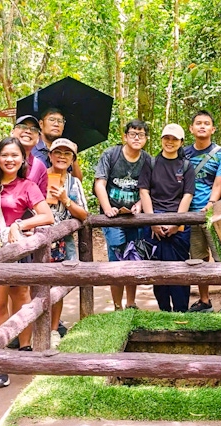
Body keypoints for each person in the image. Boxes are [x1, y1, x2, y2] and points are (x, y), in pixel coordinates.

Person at [0, 137, 54, 388]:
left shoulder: (27, 185)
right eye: (4, 155)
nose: (10, 160)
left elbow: (46, 216)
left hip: (16, 249)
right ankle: (1, 359)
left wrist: (20, 224)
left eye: (15, 155)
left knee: (21, 296)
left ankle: (25, 348)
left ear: (23, 159)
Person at [93, 119, 151, 310]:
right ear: (125, 136)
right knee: (117, 258)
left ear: (146, 139)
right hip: (113, 218)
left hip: (134, 218)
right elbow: (99, 183)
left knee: (133, 256)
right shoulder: (111, 155)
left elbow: (149, 188)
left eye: (140, 134)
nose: (136, 137)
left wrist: (140, 204)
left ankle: (131, 303)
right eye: (133, 134)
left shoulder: (147, 160)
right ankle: (117, 305)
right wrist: (108, 208)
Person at [139, 124, 195, 312]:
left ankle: (181, 311)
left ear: (181, 142)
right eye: (167, 138)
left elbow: (187, 195)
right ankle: (164, 311)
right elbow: (144, 192)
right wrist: (152, 221)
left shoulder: (186, 166)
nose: (170, 142)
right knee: (157, 270)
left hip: (178, 222)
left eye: (174, 139)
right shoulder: (151, 163)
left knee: (180, 268)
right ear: (162, 139)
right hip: (154, 221)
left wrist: (176, 222)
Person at [183, 111, 221, 313]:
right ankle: (204, 300)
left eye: (206, 124)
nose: (202, 126)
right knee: (198, 258)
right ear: (191, 129)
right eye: (198, 123)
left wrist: (212, 203)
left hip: (214, 214)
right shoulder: (183, 153)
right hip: (192, 214)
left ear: (213, 129)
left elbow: (219, 181)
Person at [47, 138, 89, 347]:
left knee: (57, 286)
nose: (62, 157)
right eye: (58, 152)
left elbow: (84, 215)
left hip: (63, 243)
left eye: (67, 154)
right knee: (33, 285)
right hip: (38, 240)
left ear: (72, 159)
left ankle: (53, 330)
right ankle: (30, 330)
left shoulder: (75, 183)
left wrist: (65, 199)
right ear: (50, 155)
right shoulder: (39, 176)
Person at [32, 107, 83, 180]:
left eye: (60, 121)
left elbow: (76, 182)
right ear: (41, 124)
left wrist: (73, 156)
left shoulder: (65, 150)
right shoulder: (31, 148)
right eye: (52, 120)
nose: (56, 124)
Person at [11, 115, 48, 195]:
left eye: (34, 129)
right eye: (23, 126)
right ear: (12, 132)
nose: (28, 131)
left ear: (38, 138)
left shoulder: (39, 167)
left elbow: (42, 198)